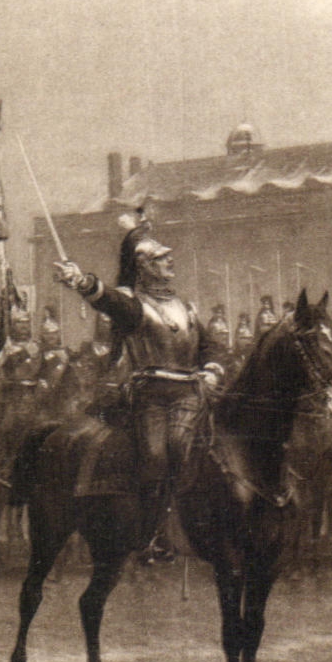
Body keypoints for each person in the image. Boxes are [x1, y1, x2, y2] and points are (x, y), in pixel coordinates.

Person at [53, 220, 226, 562]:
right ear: (145, 266)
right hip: (153, 396)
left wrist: (212, 371)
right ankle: (153, 531)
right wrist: (81, 281)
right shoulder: (136, 305)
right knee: (160, 453)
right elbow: (109, 301)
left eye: (168, 258)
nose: (170, 262)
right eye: (162, 259)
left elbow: (209, 346)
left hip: (192, 393)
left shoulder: (185, 307)